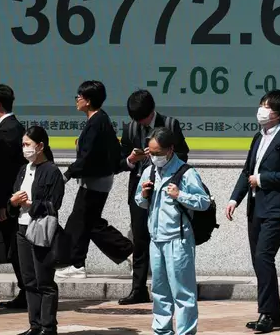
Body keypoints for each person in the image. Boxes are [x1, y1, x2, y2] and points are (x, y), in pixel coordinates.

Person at [226, 90, 280, 333]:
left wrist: (262, 179)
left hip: (277, 209)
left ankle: (266, 314)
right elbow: (246, 171)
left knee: (263, 257)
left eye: (266, 106)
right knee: (259, 261)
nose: (261, 109)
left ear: (278, 114)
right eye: (261, 104)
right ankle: (274, 314)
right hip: (256, 208)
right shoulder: (258, 137)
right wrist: (234, 198)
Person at [134, 127, 210, 335]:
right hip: (156, 238)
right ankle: (161, 330)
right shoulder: (149, 170)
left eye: (158, 153)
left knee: (182, 292)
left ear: (170, 150)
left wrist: (180, 195)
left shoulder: (186, 172)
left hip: (179, 239)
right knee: (159, 290)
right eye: (151, 152)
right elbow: (139, 202)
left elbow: (203, 202)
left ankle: (185, 332)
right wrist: (143, 193)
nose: (154, 157)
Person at [118, 89, 190, 305]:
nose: (140, 122)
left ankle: (169, 287)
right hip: (141, 191)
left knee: (166, 240)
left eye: (144, 118)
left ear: (152, 111)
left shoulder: (169, 124)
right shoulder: (130, 128)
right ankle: (138, 289)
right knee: (139, 240)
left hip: (166, 192)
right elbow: (119, 162)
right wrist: (130, 159)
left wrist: (162, 155)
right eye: (137, 119)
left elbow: (184, 154)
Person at [55, 80, 133, 279]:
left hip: (95, 182)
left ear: (88, 101)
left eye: (79, 97)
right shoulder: (100, 120)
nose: (77, 100)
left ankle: (78, 264)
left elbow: (88, 156)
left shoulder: (97, 122)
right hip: (97, 180)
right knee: (88, 223)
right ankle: (129, 253)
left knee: (81, 222)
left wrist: (68, 173)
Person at [9, 126, 65, 335]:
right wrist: (13, 202)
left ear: (40, 146)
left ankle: (48, 326)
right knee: (29, 280)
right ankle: (35, 325)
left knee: (44, 280)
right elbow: (13, 196)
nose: (24, 149)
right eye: (23, 145)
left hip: (41, 229)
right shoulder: (24, 169)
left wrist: (31, 204)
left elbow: (54, 204)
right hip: (22, 228)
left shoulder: (52, 171)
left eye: (27, 145)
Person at [0, 84, 28, 309]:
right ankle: (25, 291)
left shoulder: (7, 131)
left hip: (6, 201)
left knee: (6, 246)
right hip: (8, 200)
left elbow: (2, 173)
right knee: (12, 246)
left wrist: (1, 204)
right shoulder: (12, 127)